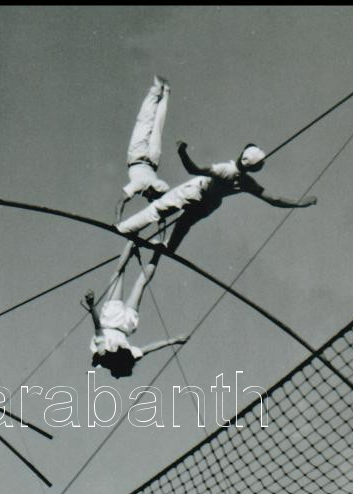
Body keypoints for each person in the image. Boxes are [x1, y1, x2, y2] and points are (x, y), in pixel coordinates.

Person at [116, 142, 317, 252]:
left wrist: (182, 152)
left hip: (196, 192)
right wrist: (300, 203)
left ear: (241, 156)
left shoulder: (224, 169)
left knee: (158, 209)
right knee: (184, 223)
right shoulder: (247, 183)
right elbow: (274, 200)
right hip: (209, 205)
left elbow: (193, 170)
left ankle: (125, 228)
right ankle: (170, 247)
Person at [85, 241, 189, 379]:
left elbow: (98, 328)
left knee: (128, 279)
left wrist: (172, 341)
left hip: (117, 321)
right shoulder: (123, 357)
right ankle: (141, 246)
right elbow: (147, 349)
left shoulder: (105, 353)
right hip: (117, 321)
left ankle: (150, 250)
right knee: (126, 278)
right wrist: (172, 341)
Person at [115, 76, 171, 224]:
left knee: (156, 126)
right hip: (138, 156)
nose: (150, 199)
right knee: (145, 122)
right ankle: (158, 90)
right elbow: (121, 200)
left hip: (152, 159)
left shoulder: (154, 183)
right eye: (152, 197)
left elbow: (161, 216)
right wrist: (117, 222)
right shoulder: (140, 184)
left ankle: (164, 93)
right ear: (152, 190)